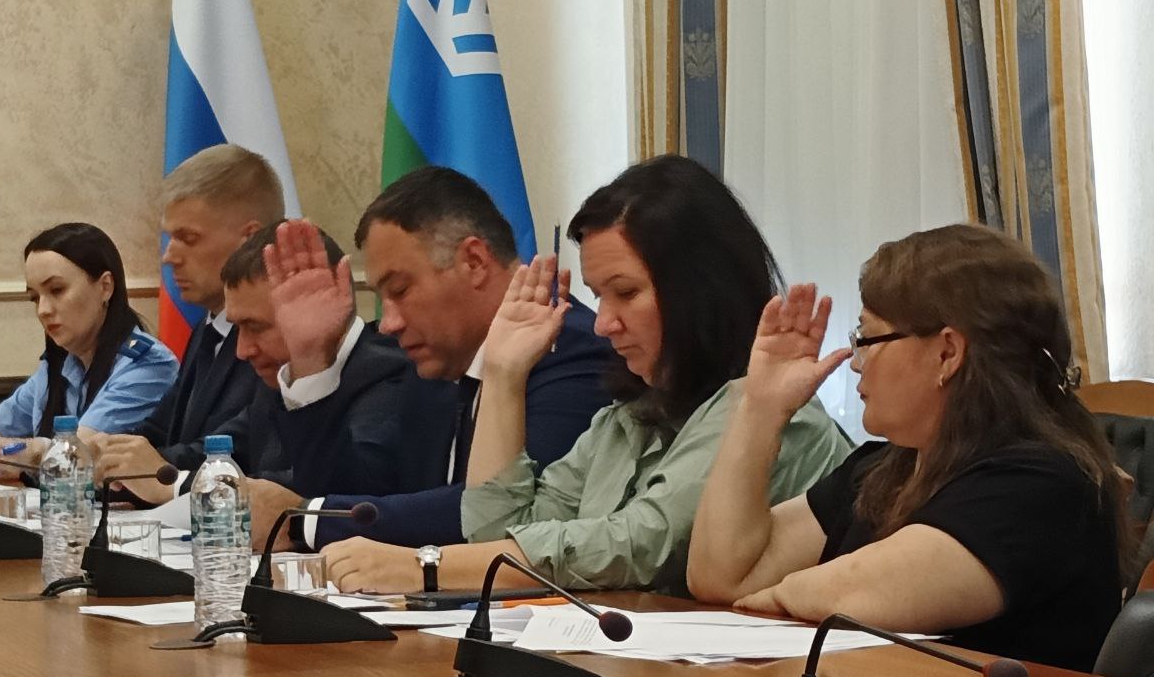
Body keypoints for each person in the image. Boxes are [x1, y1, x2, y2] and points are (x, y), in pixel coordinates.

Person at [322, 156, 850, 594]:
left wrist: (427, 567)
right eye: (598, 296)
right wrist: (503, 376)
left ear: (698, 287)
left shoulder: (773, 411)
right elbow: (496, 538)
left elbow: (640, 543)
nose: (602, 323)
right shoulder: (626, 419)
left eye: (626, 292)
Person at [685, 224, 1129, 672]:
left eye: (867, 338)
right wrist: (761, 408)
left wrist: (779, 593)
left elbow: (862, 595)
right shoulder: (883, 467)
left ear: (947, 353)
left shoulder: (1043, 482)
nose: (854, 362)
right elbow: (722, 575)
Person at [257, 167, 614, 560]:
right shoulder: (438, 364)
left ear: (474, 262)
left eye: (400, 290)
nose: (388, 323)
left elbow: (506, 515)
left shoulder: (572, 351)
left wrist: (305, 518)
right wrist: (311, 361)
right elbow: (369, 497)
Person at [107, 222, 412, 548]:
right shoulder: (279, 379)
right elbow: (222, 453)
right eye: (238, 329)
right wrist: (128, 470)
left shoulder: (392, 372)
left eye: (256, 327)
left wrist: (177, 485)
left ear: (324, 308)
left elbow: (337, 497)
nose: (242, 350)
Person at [93, 144, 279, 485]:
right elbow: (161, 428)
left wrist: (145, 466)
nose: (169, 257)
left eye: (188, 238)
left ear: (250, 239)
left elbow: (240, 449)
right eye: (170, 238)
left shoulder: (276, 337)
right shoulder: (207, 329)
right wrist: (102, 450)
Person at [0, 222, 178, 457]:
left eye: (57, 290)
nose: (43, 310)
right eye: (34, 298)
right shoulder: (57, 366)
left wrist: (3, 449)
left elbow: (74, 454)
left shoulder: (149, 365)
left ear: (105, 287)